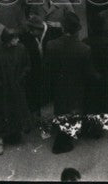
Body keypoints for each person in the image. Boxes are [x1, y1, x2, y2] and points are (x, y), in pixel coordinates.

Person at [44, 12, 99, 154]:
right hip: (76, 86)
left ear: (63, 28)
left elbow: (47, 68)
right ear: (77, 30)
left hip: (58, 85)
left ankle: (62, 131)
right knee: (73, 109)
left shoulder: (51, 45)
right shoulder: (84, 49)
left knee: (60, 108)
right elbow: (89, 73)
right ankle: (64, 140)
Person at [0, 26, 32, 155]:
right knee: (2, 112)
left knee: (17, 110)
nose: (18, 40)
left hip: (17, 87)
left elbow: (27, 65)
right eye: (15, 38)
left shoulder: (21, 49)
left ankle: (14, 133)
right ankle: (1, 139)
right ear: (8, 40)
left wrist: (21, 78)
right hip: (3, 90)